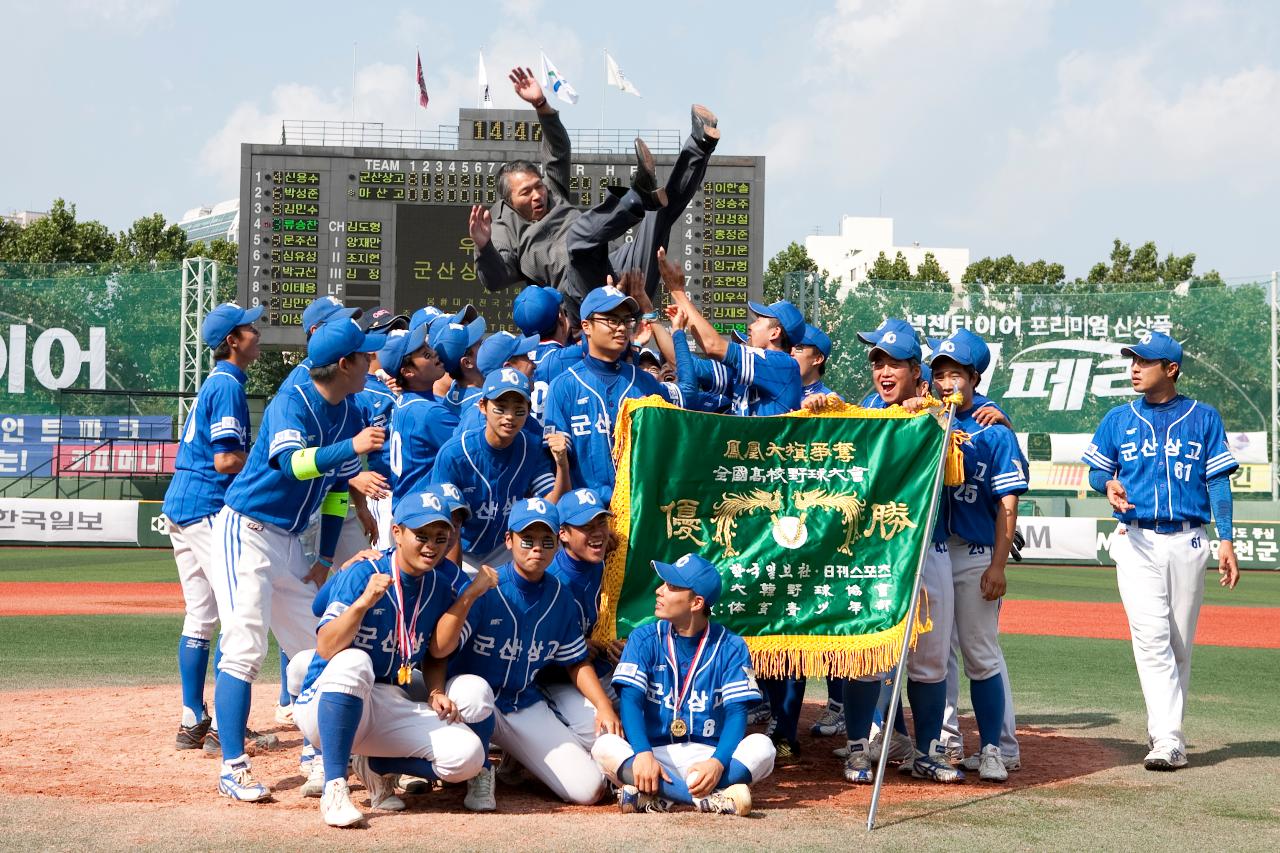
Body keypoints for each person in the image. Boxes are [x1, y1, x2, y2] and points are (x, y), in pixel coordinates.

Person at [208, 318, 387, 802]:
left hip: (289, 540)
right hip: (246, 529)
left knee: (318, 642)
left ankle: (315, 750)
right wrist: (351, 447)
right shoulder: (294, 399)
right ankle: (233, 766)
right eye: (364, 356)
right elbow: (291, 462)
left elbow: (333, 489)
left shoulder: (350, 408)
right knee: (245, 648)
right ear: (345, 364)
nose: (372, 362)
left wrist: (325, 556)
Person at [289, 492, 496, 827]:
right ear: (397, 533)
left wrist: (435, 691)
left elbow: (436, 652)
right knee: (354, 661)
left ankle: (377, 765)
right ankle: (334, 786)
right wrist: (362, 603)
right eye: (421, 536)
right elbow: (326, 647)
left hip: (388, 699)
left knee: (468, 755)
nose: (431, 546)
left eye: (440, 538)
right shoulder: (364, 572)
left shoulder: (439, 586)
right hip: (328, 700)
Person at [1082, 330, 1238, 771]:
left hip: (1188, 538)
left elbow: (1218, 482)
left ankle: (1166, 731)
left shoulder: (1203, 417)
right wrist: (1106, 484)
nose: (1134, 367)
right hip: (1135, 540)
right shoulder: (1118, 418)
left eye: (1144, 361)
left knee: (1178, 644)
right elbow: (1097, 472)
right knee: (1151, 639)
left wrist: (1225, 538)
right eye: (1132, 359)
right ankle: (1168, 737)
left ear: (1171, 369)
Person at [469, 67, 720, 321]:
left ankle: (699, 146)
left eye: (538, 186)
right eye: (526, 192)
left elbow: (558, 150)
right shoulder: (502, 226)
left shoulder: (552, 191)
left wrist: (541, 104)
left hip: (618, 269)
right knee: (577, 241)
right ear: (509, 202)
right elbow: (495, 279)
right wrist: (483, 246)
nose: (537, 195)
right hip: (580, 296)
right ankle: (636, 197)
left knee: (659, 214)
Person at [434, 499, 621, 809]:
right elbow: (440, 650)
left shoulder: (559, 594)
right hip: (468, 702)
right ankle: (478, 773)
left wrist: (603, 705)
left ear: (555, 542)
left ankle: (513, 756)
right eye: (528, 539)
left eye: (546, 540)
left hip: (520, 702)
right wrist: (436, 689)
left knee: (587, 790)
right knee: (474, 690)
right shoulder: (486, 587)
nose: (537, 547)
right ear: (509, 541)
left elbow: (575, 661)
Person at [591, 553, 775, 815]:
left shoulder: (731, 646)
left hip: (708, 756)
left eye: (672, 587)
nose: (660, 590)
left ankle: (657, 795)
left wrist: (718, 763)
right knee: (604, 746)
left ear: (697, 602)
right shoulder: (643, 638)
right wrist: (643, 753)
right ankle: (707, 799)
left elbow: (737, 714)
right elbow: (631, 702)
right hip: (654, 755)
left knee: (763, 747)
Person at [925, 330, 1029, 783]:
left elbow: (1009, 505)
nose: (946, 383)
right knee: (938, 654)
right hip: (936, 552)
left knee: (980, 655)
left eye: (955, 374)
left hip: (976, 552)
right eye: (939, 374)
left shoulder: (994, 430)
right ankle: (948, 740)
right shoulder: (927, 420)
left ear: (974, 377)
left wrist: (998, 565)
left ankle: (994, 748)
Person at [163, 301, 262, 751]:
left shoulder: (215, 383)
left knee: (202, 615)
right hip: (206, 505)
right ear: (232, 341)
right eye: (249, 328)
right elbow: (225, 459)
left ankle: (191, 719)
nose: (256, 333)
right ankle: (225, 726)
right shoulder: (227, 385)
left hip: (182, 505)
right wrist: (264, 461)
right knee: (238, 611)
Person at [543, 285, 676, 503]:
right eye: (612, 320)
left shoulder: (645, 383)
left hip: (639, 511)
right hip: (586, 517)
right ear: (586, 326)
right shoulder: (563, 386)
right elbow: (555, 464)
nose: (622, 328)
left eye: (626, 321)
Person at [431, 369, 571, 572]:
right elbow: (448, 524)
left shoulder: (530, 446)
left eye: (519, 409)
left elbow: (551, 503)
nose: (510, 417)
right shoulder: (455, 453)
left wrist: (562, 465)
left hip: (504, 548)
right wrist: (455, 579)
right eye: (500, 408)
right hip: (461, 548)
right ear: (483, 407)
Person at [660, 248, 802, 417]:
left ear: (775, 333)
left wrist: (678, 292)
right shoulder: (746, 374)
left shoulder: (784, 366)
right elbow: (681, 362)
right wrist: (656, 319)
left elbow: (713, 345)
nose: (750, 327)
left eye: (758, 321)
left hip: (767, 444)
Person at [538, 487, 620, 750]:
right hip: (552, 677)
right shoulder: (550, 580)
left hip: (598, 670)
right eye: (585, 526)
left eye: (601, 522)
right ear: (563, 533)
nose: (597, 532)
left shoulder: (612, 563)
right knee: (600, 734)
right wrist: (571, 647)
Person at [382, 325, 454, 513]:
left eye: (429, 348)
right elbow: (472, 450)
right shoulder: (428, 412)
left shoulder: (406, 401)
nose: (434, 353)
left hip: (409, 505)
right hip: (423, 511)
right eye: (426, 355)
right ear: (408, 372)